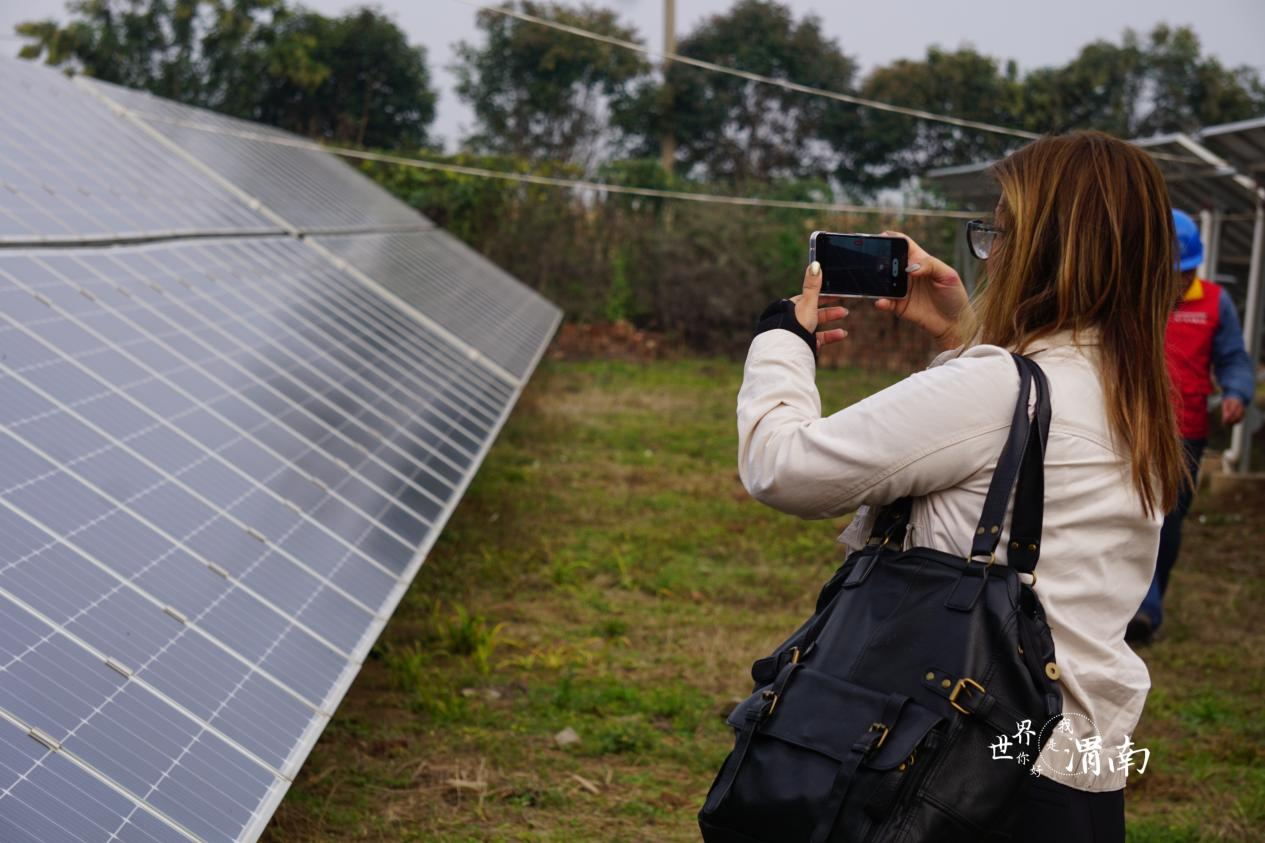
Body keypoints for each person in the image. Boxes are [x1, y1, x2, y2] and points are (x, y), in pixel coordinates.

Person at [736, 131, 1186, 841]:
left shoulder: (992, 388)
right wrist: (962, 329)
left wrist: (777, 344)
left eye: (998, 232)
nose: (989, 251)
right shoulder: (1135, 396)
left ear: (1036, 249)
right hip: (1079, 771)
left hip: (966, 778)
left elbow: (782, 467)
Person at [1126, 209, 1256, 644]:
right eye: (1170, 272)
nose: (1179, 281)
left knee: (1168, 519)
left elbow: (1234, 358)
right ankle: (1124, 605)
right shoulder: (1133, 297)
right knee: (1130, 513)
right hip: (1131, 425)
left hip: (1187, 432)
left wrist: (1237, 391)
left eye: (1185, 271)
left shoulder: (1216, 302)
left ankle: (1145, 610)